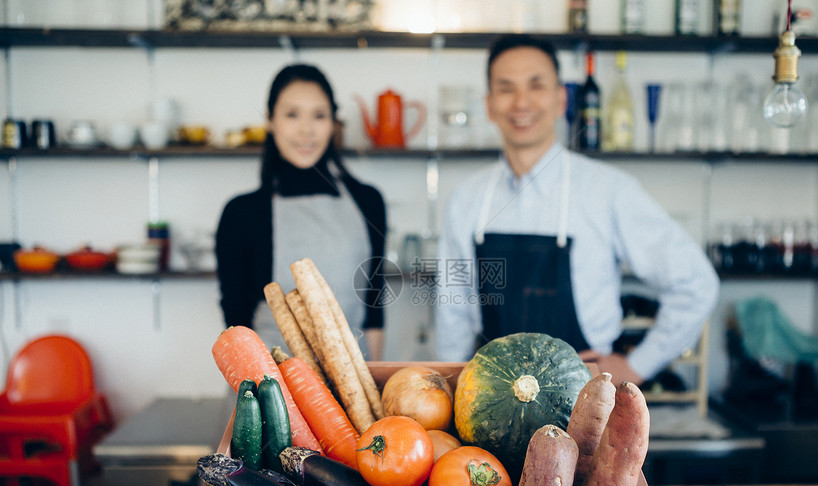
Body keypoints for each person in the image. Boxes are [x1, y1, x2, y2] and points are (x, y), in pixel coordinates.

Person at [434, 35, 719, 385]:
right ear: (490, 105)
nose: (521, 102)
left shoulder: (609, 190)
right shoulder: (466, 200)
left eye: (536, 85)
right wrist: (446, 390)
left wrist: (636, 365)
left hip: (586, 396)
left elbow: (697, 283)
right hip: (489, 397)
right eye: (506, 89)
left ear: (560, 99)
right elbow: (454, 313)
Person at [216, 63, 387, 360]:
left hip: (354, 386)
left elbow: (374, 307)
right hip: (269, 386)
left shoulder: (368, 201)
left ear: (334, 122)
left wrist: (374, 390)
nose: (306, 130)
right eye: (292, 115)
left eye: (319, 116)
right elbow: (236, 322)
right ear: (270, 120)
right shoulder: (241, 213)